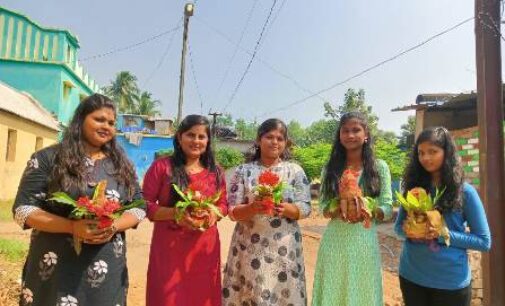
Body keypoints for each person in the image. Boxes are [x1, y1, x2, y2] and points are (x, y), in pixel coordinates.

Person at [12, 93, 145, 306]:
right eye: (99, 119)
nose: (106, 126)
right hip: (55, 267)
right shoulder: (48, 159)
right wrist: (72, 227)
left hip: (106, 268)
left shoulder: (121, 165)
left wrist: (113, 226)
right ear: (81, 119)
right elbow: (23, 210)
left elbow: (139, 206)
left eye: (111, 123)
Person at [394, 127, 491, 306]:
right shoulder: (413, 188)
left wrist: (441, 234)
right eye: (421, 153)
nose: (426, 158)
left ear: (447, 153)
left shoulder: (465, 192)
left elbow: (484, 241)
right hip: (411, 276)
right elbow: (398, 228)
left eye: (433, 152)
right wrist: (411, 230)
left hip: (450, 284)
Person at [222, 118, 312, 306]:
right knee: (252, 294)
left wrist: (289, 209)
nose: (274, 142)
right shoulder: (243, 171)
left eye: (280, 138)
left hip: (285, 249)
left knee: (283, 294)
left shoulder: (294, 171)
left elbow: (305, 207)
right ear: (258, 140)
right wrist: (252, 208)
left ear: (286, 142)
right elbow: (231, 212)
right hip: (249, 247)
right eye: (269, 137)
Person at [143, 114, 227, 306]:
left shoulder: (216, 171)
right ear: (179, 138)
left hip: (204, 250)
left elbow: (224, 204)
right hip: (169, 250)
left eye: (201, 137)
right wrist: (176, 213)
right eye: (190, 135)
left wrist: (213, 214)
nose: (196, 141)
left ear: (208, 141)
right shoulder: (161, 167)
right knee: (168, 298)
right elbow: (144, 205)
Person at [312, 112, 393, 306]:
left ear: (366, 135)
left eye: (356, 130)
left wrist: (368, 209)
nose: (350, 135)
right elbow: (323, 206)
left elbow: (387, 207)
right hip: (334, 241)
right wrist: (337, 208)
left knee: (363, 294)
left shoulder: (379, 167)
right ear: (339, 136)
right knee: (333, 293)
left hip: (363, 241)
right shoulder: (330, 168)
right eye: (345, 130)